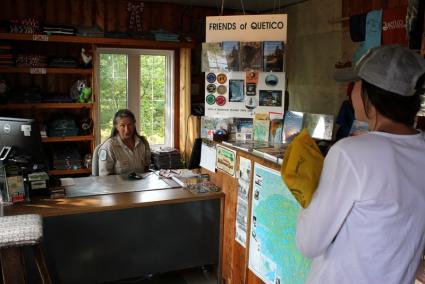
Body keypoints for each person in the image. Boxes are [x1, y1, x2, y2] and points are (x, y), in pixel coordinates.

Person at [296, 44, 425, 284]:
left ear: (370, 95)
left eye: (356, 84)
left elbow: (308, 243)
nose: (351, 91)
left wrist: (308, 191)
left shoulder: (350, 154)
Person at [98, 109, 151, 176]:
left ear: (134, 124)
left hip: (141, 185)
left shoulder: (143, 143)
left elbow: (147, 168)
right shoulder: (108, 147)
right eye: (122, 125)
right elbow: (104, 177)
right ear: (116, 126)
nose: (127, 130)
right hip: (118, 186)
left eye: (130, 125)